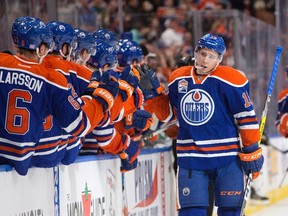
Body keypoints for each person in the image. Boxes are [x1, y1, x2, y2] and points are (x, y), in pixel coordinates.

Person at [154, 33, 264, 215]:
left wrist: (251, 150)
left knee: (231, 210)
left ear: (219, 60)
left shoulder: (232, 80)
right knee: (191, 212)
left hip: (228, 158)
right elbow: (169, 116)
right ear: (196, 53)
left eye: (211, 56)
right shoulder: (177, 78)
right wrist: (154, 97)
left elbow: (246, 118)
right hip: (191, 158)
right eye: (203, 53)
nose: (205, 60)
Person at [0, 16, 119, 175]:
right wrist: (97, 99)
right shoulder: (52, 78)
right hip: (35, 160)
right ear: (41, 49)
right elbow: (77, 125)